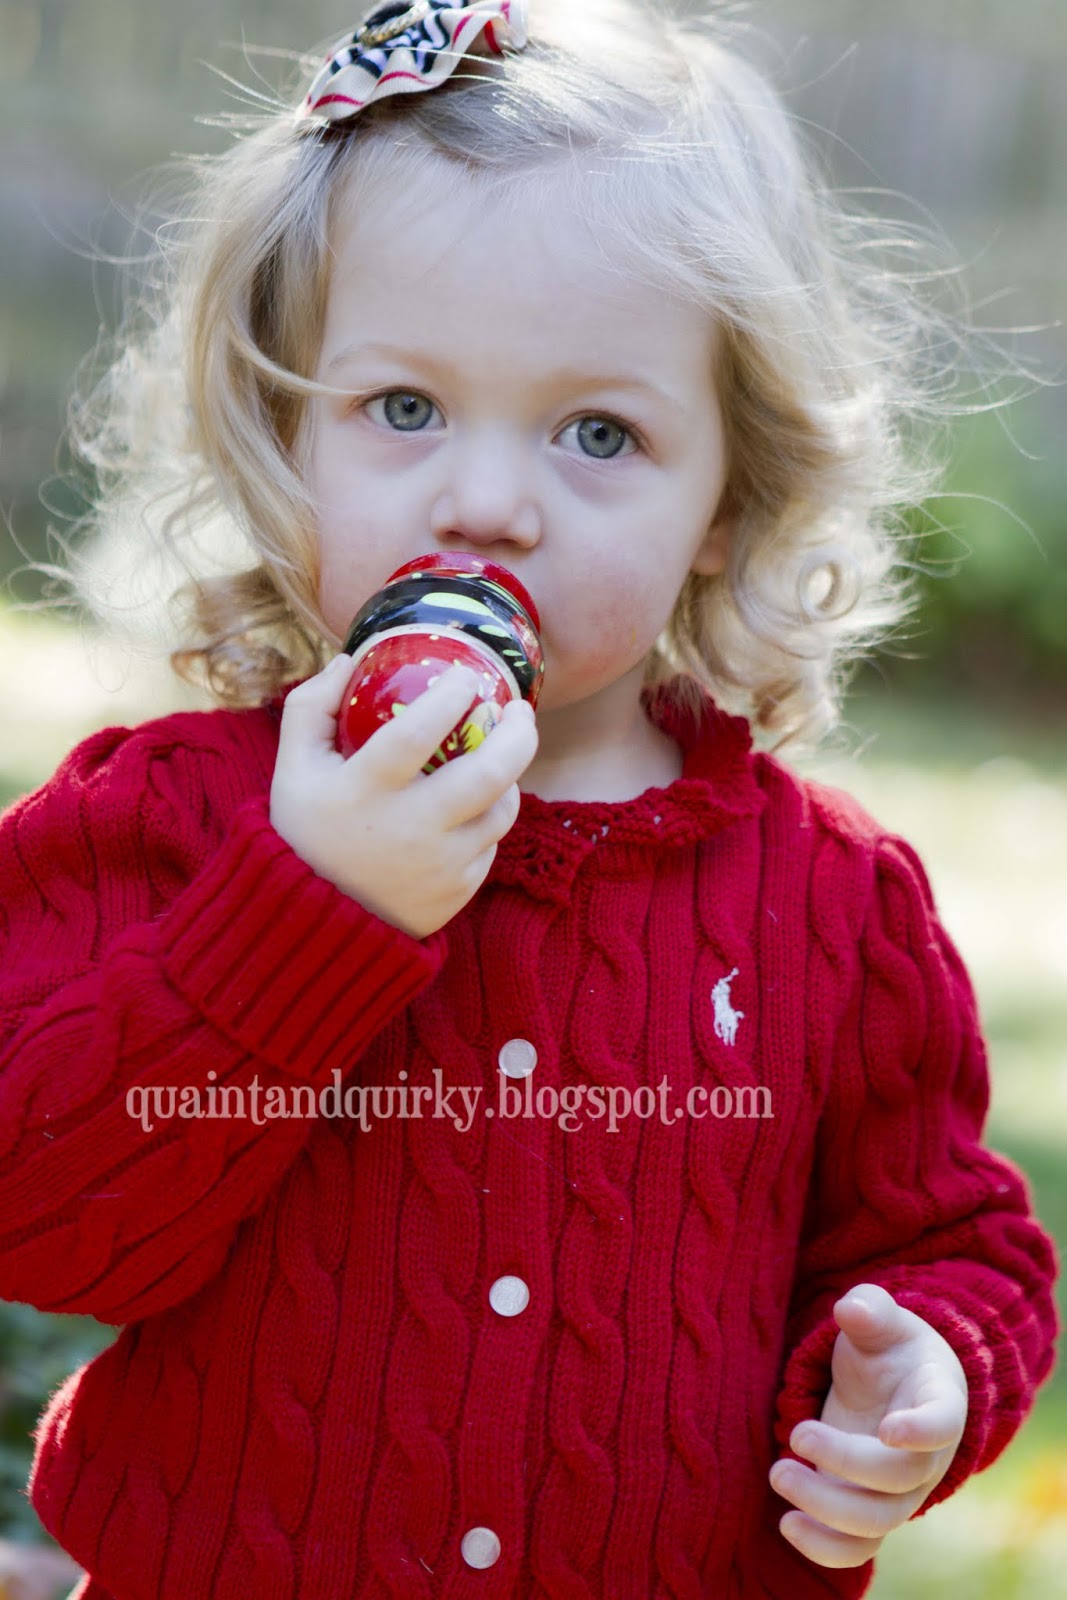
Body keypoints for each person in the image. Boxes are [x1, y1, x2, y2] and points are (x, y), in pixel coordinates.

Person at [0, 1, 1058, 1596]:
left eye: (598, 433)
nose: (487, 502)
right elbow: (45, 1225)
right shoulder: (171, 816)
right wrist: (303, 908)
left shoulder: (835, 906)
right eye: (403, 409)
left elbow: (951, 1241)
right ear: (289, 428)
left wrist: (926, 1371)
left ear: (731, 497)